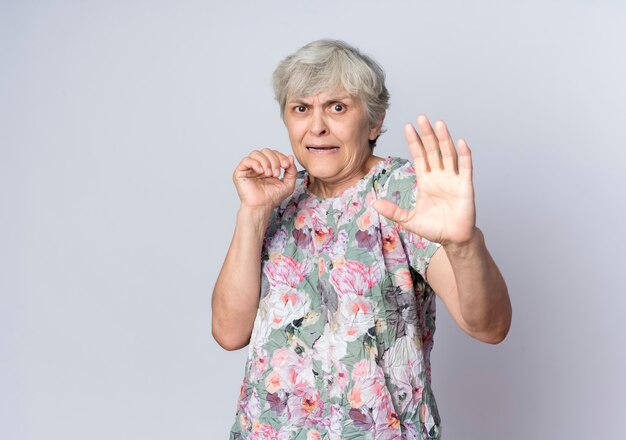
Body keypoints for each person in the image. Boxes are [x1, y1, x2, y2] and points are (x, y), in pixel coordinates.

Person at [212, 39, 512, 440]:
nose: (316, 126)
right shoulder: (277, 198)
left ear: (373, 122)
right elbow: (229, 333)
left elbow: (489, 326)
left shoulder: (403, 193)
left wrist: (464, 245)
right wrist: (252, 213)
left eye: (337, 107)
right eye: (301, 108)